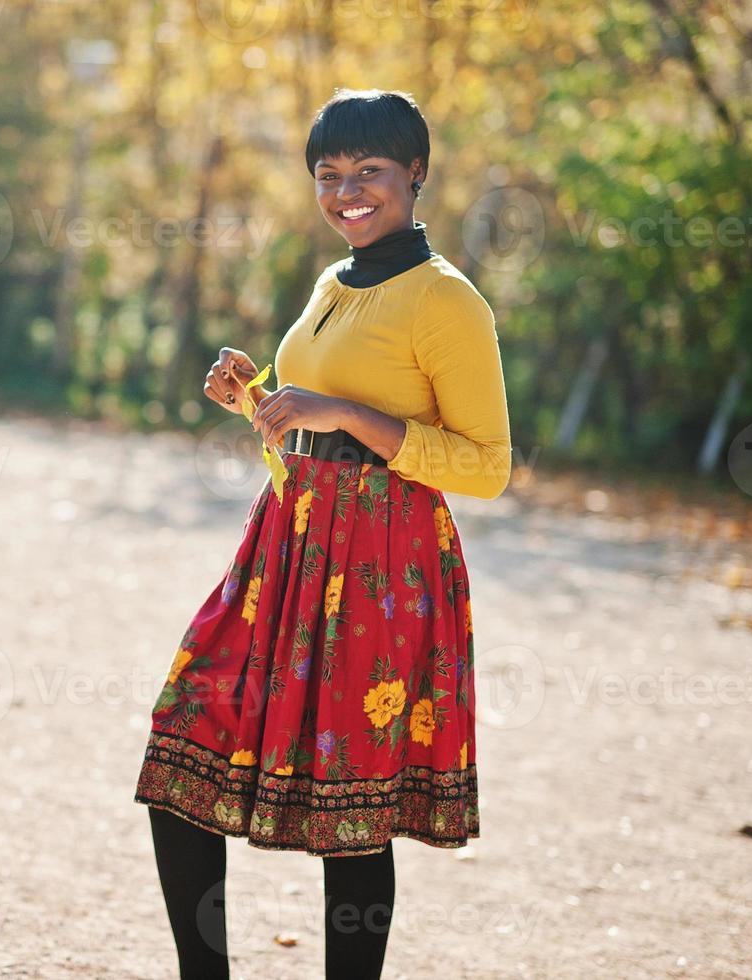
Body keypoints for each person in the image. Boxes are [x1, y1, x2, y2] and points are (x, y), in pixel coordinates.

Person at [133, 88, 513, 980]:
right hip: (286, 545)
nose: (346, 192)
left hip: (384, 560)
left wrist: (341, 407)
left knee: (351, 802)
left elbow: (485, 466)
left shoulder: (446, 300)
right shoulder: (330, 281)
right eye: (327, 175)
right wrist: (254, 404)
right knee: (183, 738)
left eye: (368, 172)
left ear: (414, 173)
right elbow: (314, 432)